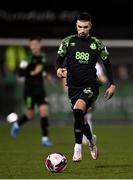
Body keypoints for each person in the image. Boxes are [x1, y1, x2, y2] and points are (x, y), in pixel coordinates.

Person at [56, 12, 116, 162]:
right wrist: (58, 69)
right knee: (79, 117)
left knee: (78, 110)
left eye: (85, 27)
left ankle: (77, 148)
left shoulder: (97, 43)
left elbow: (107, 64)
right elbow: (59, 60)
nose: (82, 30)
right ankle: (91, 140)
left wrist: (112, 84)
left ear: (90, 27)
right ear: (76, 25)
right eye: (79, 27)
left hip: (90, 86)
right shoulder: (68, 42)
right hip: (73, 87)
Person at [7, 36, 53, 147]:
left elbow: (42, 69)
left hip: (40, 90)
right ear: (30, 46)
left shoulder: (42, 56)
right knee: (30, 115)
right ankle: (17, 125)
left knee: (44, 112)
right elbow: (20, 74)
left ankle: (45, 139)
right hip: (29, 91)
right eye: (32, 44)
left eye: (36, 44)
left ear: (40, 45)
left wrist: (45, 75)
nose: (34, 46)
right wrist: (33, 72)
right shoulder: (26, 59)